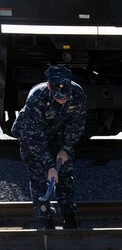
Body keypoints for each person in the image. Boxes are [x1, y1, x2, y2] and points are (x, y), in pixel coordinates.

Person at [11, 65, 87, 230]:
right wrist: (49, 166)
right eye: (58, 96)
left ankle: (68, 215)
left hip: (58, 136)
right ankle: (46, 219)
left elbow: (77, 125)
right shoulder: (36, 98)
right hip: (31, 136)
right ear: (49, 86)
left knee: (65, 175)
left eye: (65, 96)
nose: (62, 99)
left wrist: (65, 148)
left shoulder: (77, 94)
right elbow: (35, 138)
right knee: (39, 179)